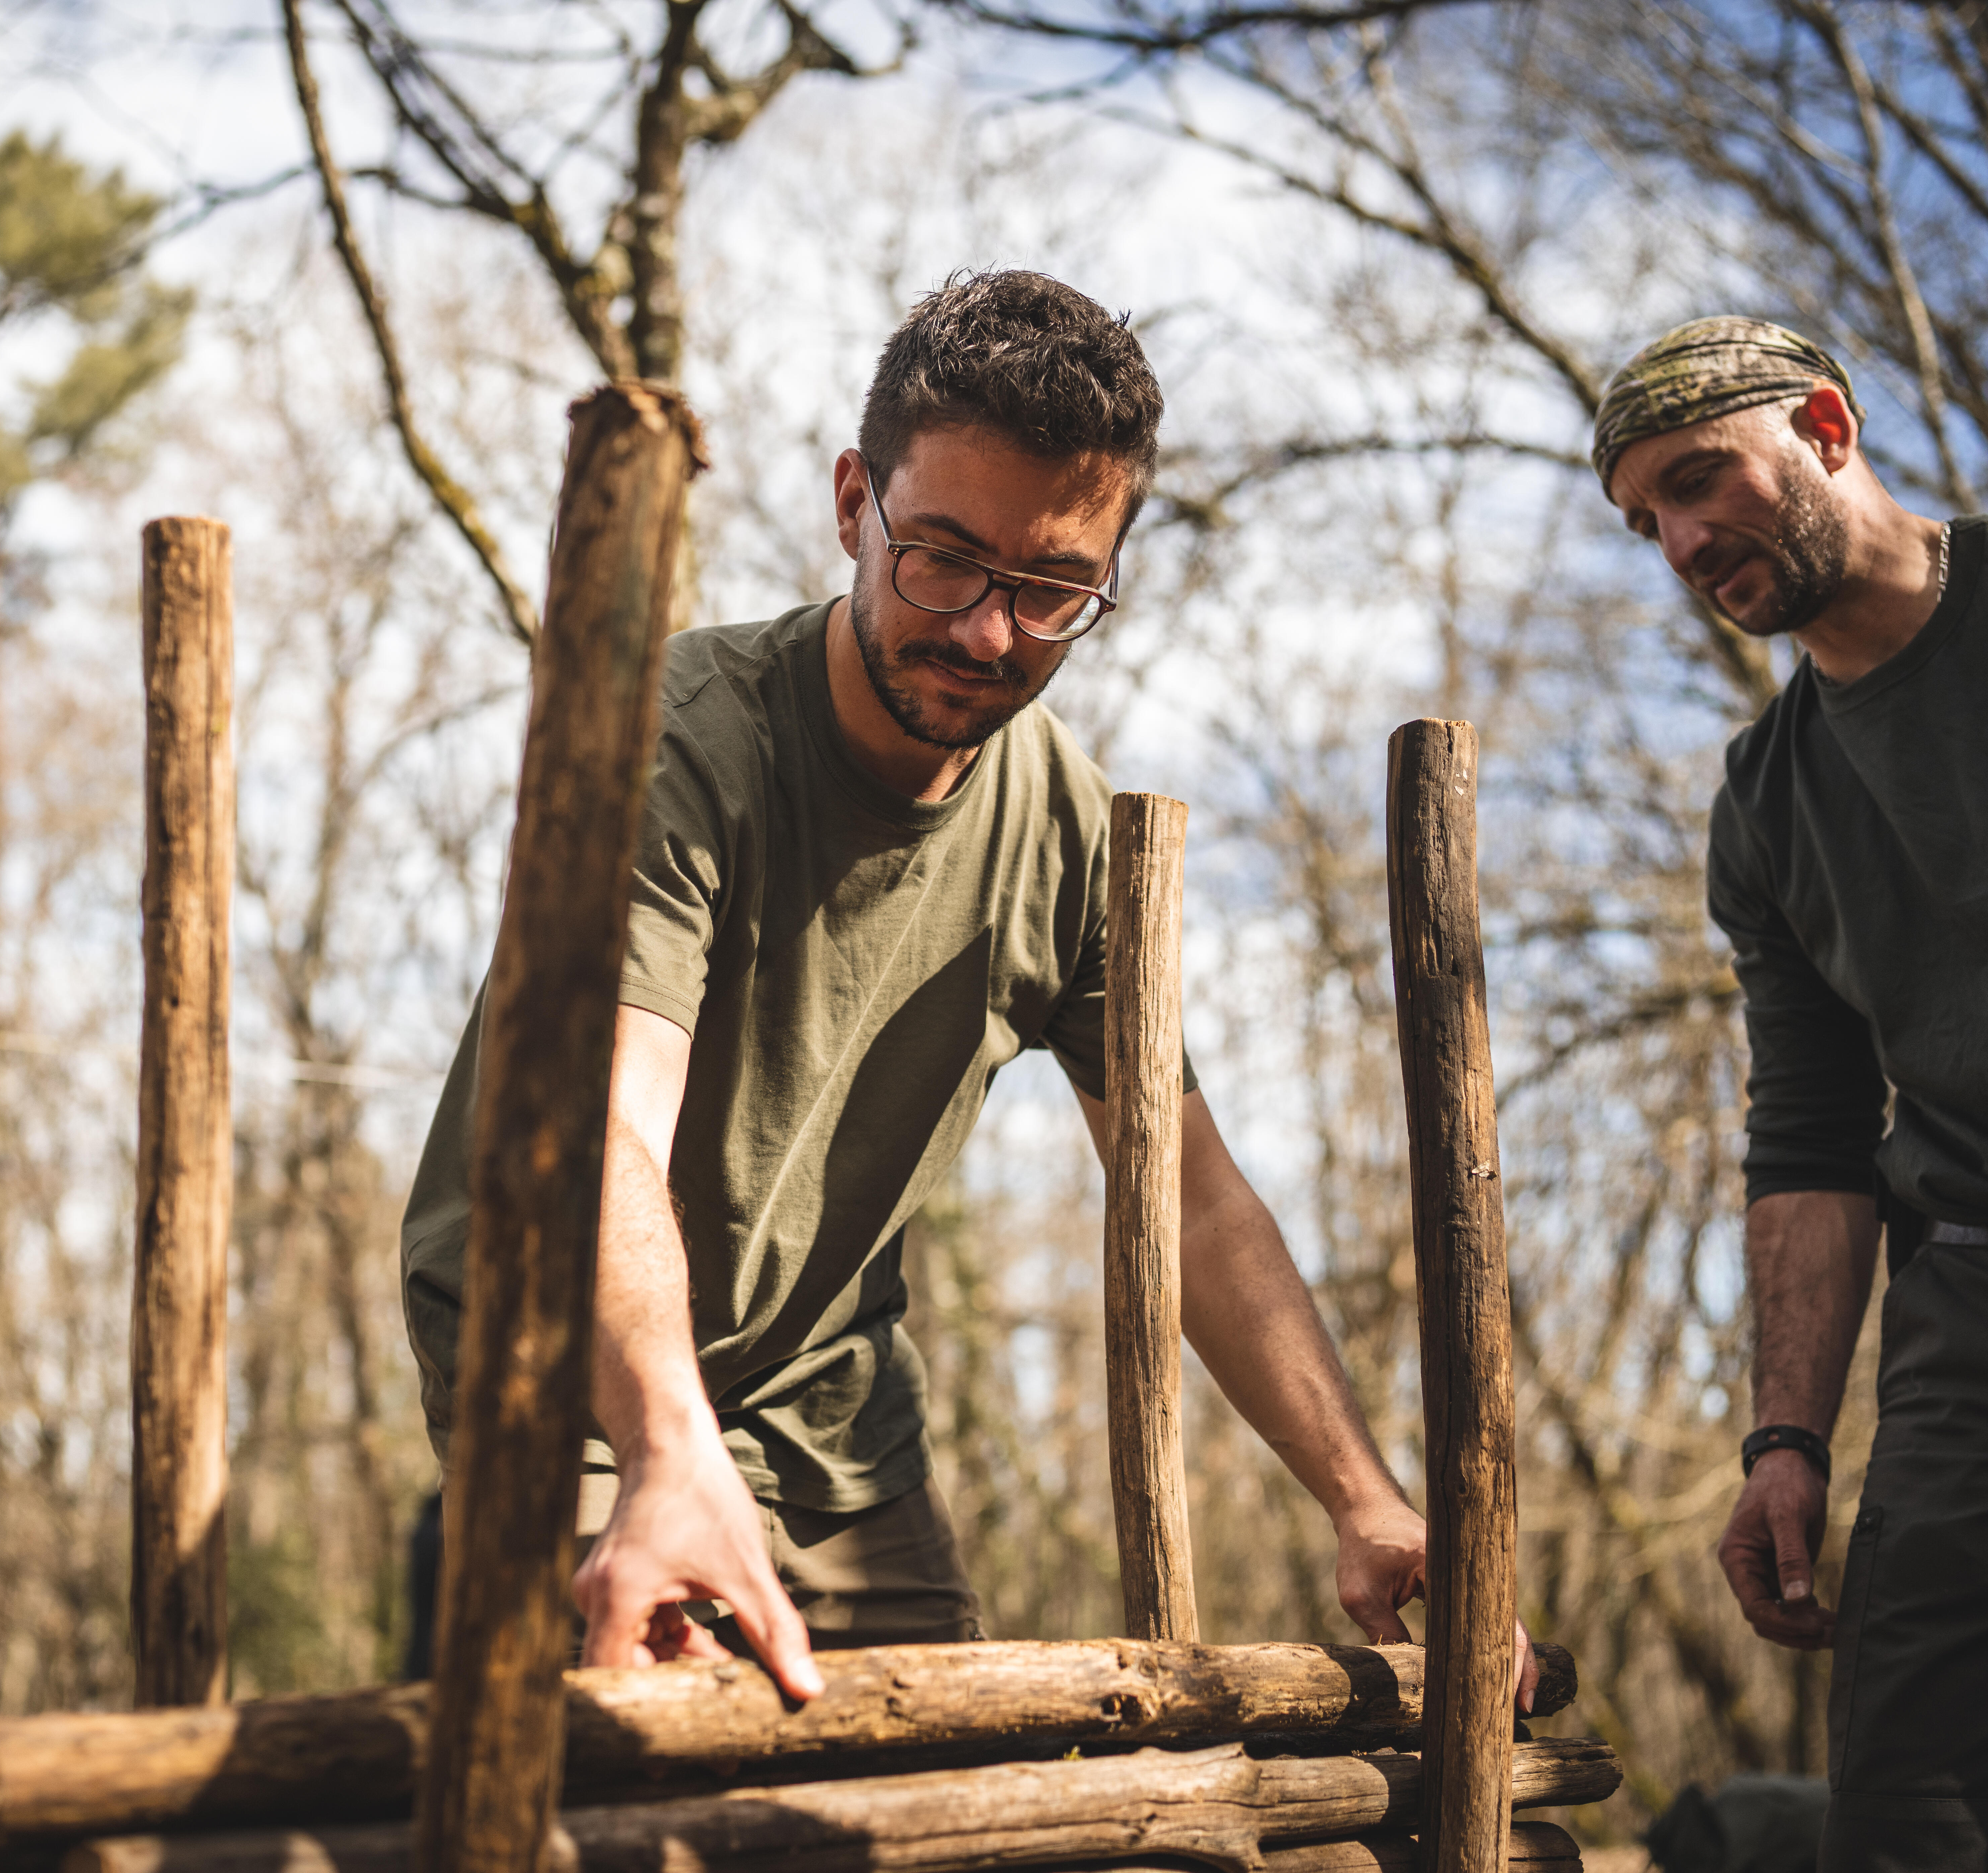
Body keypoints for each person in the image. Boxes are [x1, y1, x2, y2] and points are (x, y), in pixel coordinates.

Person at [404, 269, 1531, 1705]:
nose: (990, 632)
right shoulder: (680, 744)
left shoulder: (1066, 825)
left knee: (938, 1826)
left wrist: (1362, 1496)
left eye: (1053, 589)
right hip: (580, 1391)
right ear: (850, 504)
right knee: (640, 1830)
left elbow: (1187, 1190)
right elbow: (597, 1131)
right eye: (941, 558)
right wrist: (671, 1457)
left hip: (839, 1429)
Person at [1595, 316, 1988, 1873]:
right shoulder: (1767, 805)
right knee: (1905, 1839)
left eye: (1702, 482)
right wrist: (1784, 1442)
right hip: (1980, 1322)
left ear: (1827, 425)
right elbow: (1814, 1138)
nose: (1686, 541)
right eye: (1649, 522)